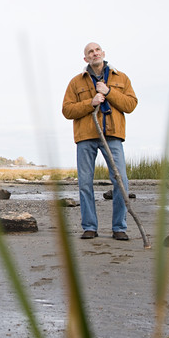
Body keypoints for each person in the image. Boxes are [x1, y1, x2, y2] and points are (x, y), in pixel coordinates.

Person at [62, 42, 138, 240]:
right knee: (85, 183)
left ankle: (119, 228)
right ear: (85, 59)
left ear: (103, 54)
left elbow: (131, 104)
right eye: (90, 52)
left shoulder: (121, 78)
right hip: (86, 137)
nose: (94, 54)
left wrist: (109, 92)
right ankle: (89, 227)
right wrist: (91, 103)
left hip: (113, 136)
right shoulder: (75, 82)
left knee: (121, 181)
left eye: (97, 50)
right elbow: (67, 110)